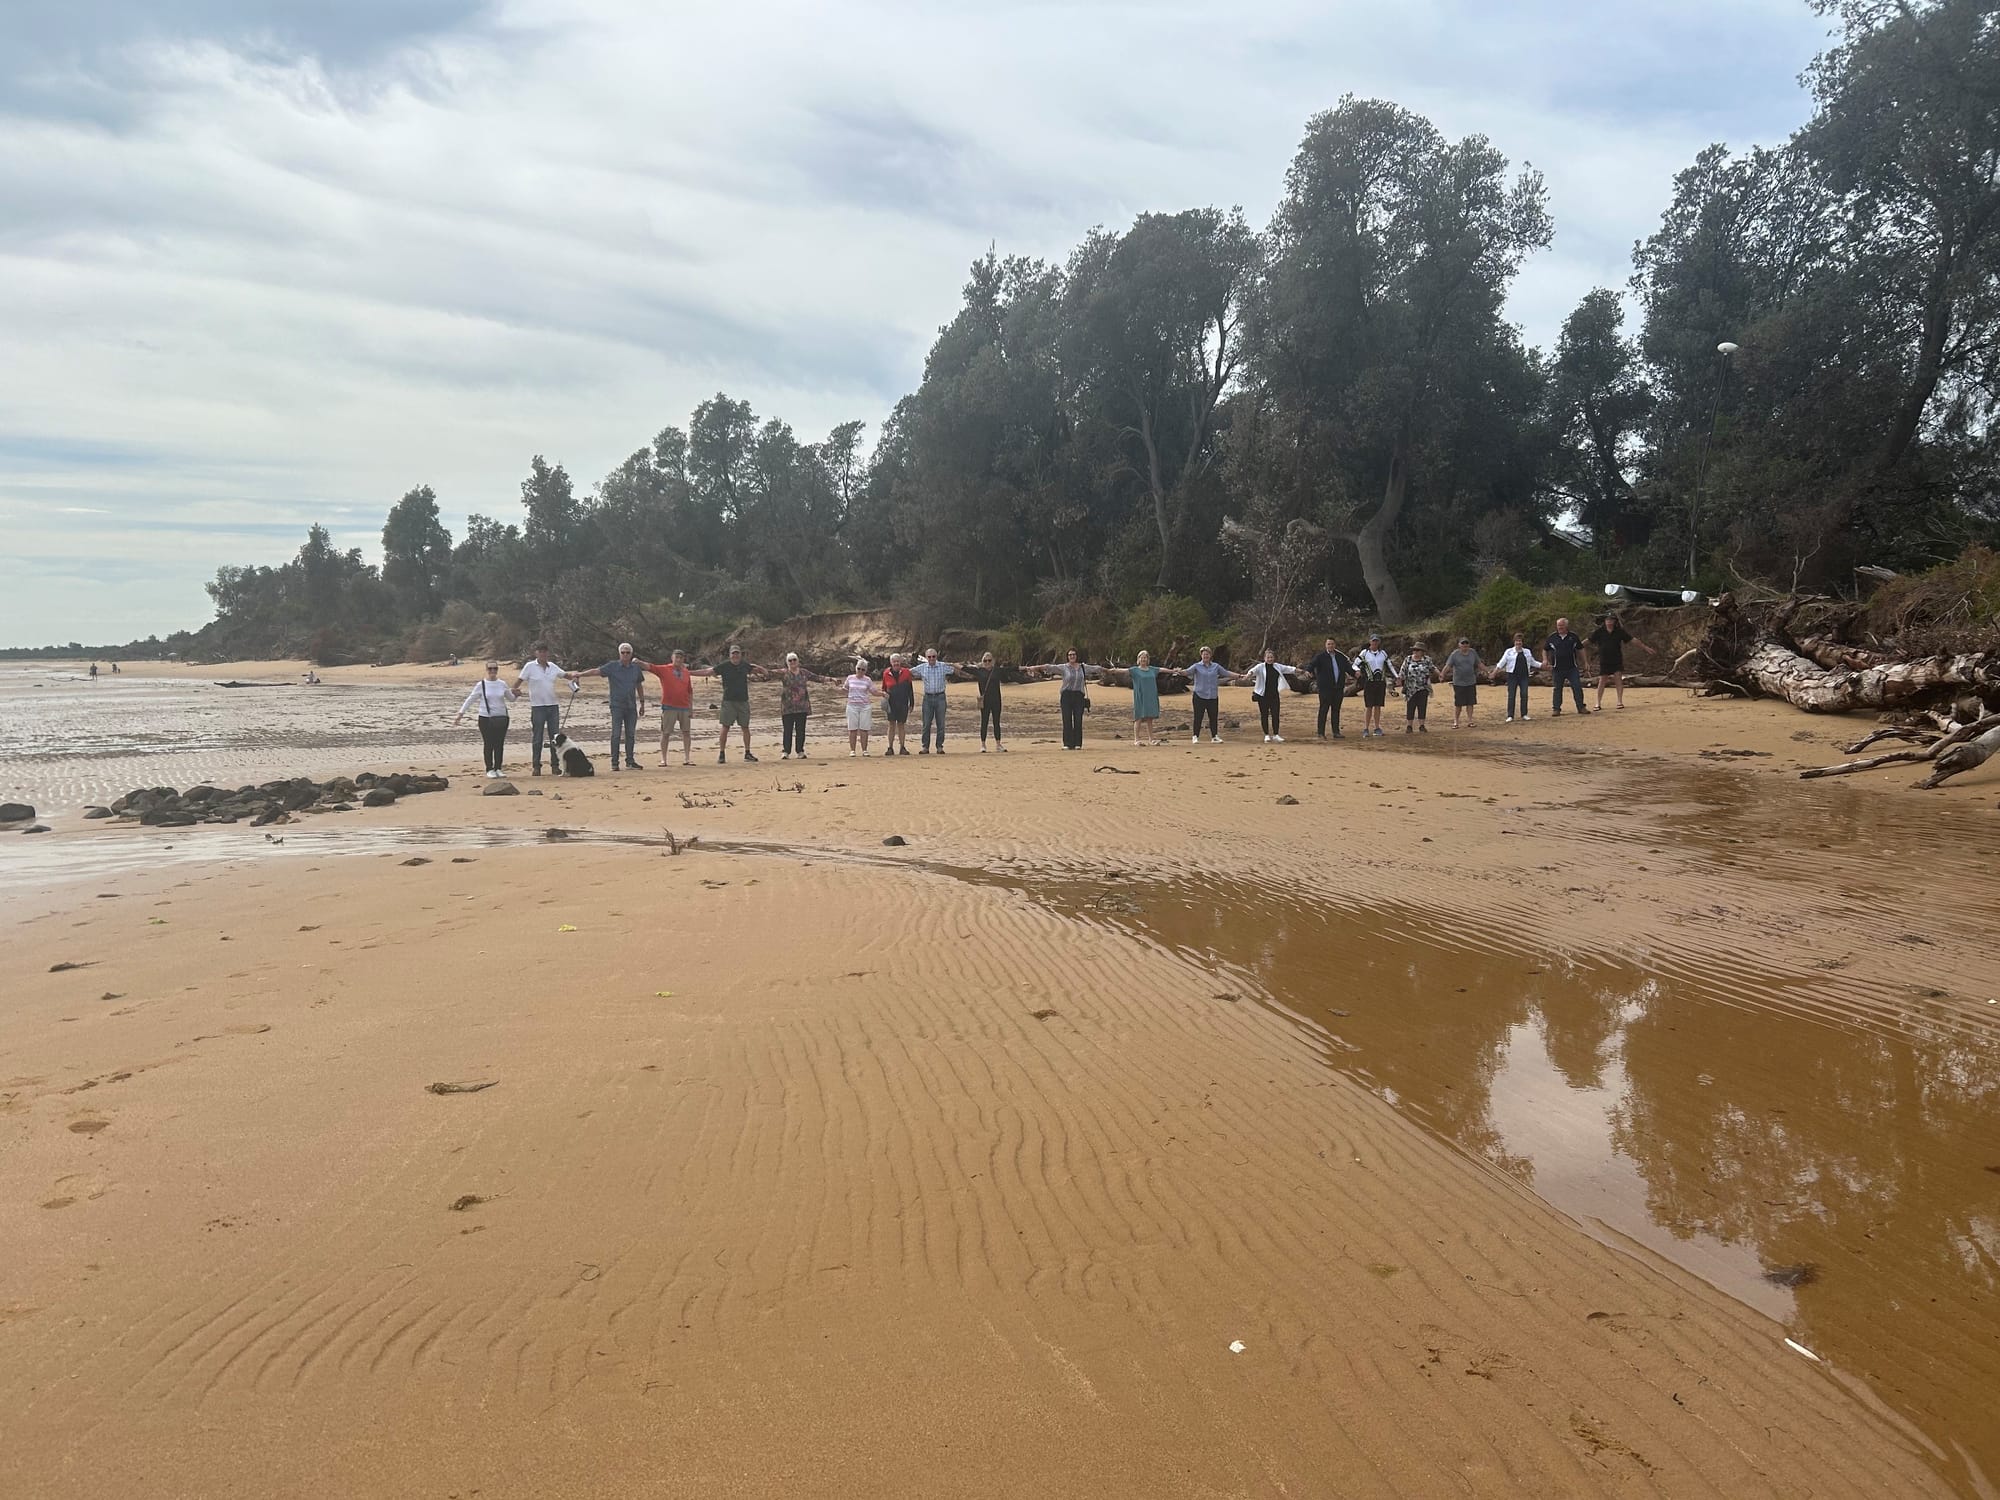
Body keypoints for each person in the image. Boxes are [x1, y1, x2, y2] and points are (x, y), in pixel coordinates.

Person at [570, 643, 649, 770]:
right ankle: (614, 762)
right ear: (619, 653)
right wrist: (580, 674)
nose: (625, 655)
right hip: (617, 705)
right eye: (623, 652)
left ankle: (630, 761)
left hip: (631, 706)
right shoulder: (612, 666)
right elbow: (596, 671)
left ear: (631, 654)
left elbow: (639, 685)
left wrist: (642, 703)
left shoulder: (635, 668)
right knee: (616, 734)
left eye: (627, 652)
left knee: (630, 734)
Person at [690, 643, 766, 763]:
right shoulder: (724, 666)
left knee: (745, 727)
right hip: (728, 701)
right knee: (725, 727)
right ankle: (721, 753)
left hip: (743, 701)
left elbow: (761, 672)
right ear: (730, 655)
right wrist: (689, 673)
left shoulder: (745, 665)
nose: (735, 655)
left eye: (737, 653)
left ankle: (747, 753)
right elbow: (708, 672)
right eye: (733, 653)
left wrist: (761, 668)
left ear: (740, 655)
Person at [512, 642, 569, 775]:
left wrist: (576, 677)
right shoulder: (530, 666)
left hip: (552, 705)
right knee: (537, 737)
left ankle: (555, 766)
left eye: (544, 651)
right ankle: (536, 766)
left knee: (554, 737)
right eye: (540, 651)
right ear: (536, 653)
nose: (543, 653)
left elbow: (566, 675)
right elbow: (519, 681)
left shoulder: (553, 667)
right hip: (537, 707)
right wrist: (513, 692)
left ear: (547, 653)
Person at [454, 659, 518, 778]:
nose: (493, 671)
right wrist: (460, 713)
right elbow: (471, 699)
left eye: (495, 668)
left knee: (499, 744)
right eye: (490, 669)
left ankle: (498, 768)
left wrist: (517, 695)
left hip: (502, 718)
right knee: (489, 744)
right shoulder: (481, 685)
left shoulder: (502, 684)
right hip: (486, 718)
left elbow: (511, 699)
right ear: (486, 670)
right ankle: (489, 768)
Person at [1030, 650, 1103, 750]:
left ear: (1077, 656)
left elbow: (1096, 668)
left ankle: (1078, 743)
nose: (1072, 656)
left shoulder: (1083, 667)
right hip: (1066, 695)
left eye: (1073, 654)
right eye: (1070, 655)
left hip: (1079, 695)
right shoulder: (1064, 667)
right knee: (1066, 719)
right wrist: (1035, 667)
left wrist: (1110, 671)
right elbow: (1050, 667)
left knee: (1078, 719)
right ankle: (1067, 743)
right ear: (1067, 657)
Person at [1590, 612, 1654, 711]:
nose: (1609, 622)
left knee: (1618, 679)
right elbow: (1588, 640)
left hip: (1616, 659)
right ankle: (1598, 703)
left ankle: (1619, 701)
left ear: (1615, 621)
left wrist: (1645, 648)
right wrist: (1576, 646)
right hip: (1604, 659)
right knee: (1602, 680)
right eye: (1607, 620)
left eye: (1611, 620)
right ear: (1605, 621)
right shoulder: (1599, 632)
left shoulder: (1619, 631)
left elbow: (1633, 640)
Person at [647, 648, 696, 765]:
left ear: (683, 659)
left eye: (681, 657)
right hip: (669, 706)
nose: (678, 659)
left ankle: (687, 758)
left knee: (686, 732)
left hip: (684, 706)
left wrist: (691, 708)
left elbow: (690, 691)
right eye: (676, 657)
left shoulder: (686, 672)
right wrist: (638, 662)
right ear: (672, 658)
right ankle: (663, 759)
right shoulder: (665, 669)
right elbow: (651, 667)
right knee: (666, 733)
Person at [1180, 646, 1234, 744]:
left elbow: (1226, 673)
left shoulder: (1216, 666)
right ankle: (1195, 736)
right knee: (1198, 717)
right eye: (1204, 654)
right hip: (1199, 695)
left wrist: (1239, 676)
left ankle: (1214, 736)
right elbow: (1187, 672)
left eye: (1207, 654)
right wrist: (1179, 671)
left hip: (1212, 696)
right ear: (1201, 655)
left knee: (1213, 717)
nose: (1206, 656)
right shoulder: (1196, 666)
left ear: (1210, 655)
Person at [778, 652, 827, 759]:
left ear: (798, 661)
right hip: (787, 706)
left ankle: (800, 751)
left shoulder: (804, 673)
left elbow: (817, 677)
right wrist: (755, 670)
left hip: (802, 706)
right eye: (790, 660)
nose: (792, 662)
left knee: (801, 730)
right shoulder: (784, 673)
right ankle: (786, 751)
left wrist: (830, 679)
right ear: (787, 662)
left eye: (794, 660)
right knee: (787, 730)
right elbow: (768, 673)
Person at [1244, 650, 1301, 742]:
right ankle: (1266, 734)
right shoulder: (1260, 667)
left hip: (1274, 695)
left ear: (1274, 658)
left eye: (1271, 657)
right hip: (1262, 695)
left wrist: (1300, 671)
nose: (1270, 659)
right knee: (1264, 715)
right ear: (1264, 658)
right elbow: (1252, 671)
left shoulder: (1277, 666)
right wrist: (1248, 675)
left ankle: (1276, 734)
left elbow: (1289, 669)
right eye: (1268, 657)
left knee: (1275, 715)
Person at [910, 648, 958, 753]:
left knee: (941, 724)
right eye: (929, 657)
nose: (932, 659)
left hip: (940, 697)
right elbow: (908, 673)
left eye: (934, 656)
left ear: (937, 657)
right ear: (926, 658)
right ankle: (925, 747)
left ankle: (939, 746)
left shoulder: (943, 666)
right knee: (926, 724)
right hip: (927, 698)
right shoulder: (922, 668)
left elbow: (955, 670)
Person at [1305, 638, 1352, 738]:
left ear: (1335, 645)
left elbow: (1348, 668)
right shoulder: (1320, 657)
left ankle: (1336, 732)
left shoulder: (1340, 657)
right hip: (1325, 688)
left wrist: (1356, 673)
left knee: (1336, 710)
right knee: (1324, 709)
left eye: (1332, 644)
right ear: (1326, 645)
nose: (1330, 646)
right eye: (1328, 644)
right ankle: (1321, 733)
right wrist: (1308, 671)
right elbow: (1311, 665)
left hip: (1338, 687)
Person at [1545, 617, 1588, 716]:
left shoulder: (1573, 636)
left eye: (1562, 625)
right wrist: (1545, 660)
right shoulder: (1552, 637)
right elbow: (1545, 649)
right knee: (1557, 689)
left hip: (1572, 667)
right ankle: (1556, 709)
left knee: (1577, 687)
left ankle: (1581, 707)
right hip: (1557, 668)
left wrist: (1585, 662)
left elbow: (1581, 649)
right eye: (1558, 625)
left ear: (1566, 626)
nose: (1560, 627)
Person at [1495, 632, 1541, 723]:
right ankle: (1510, 715)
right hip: (1512, 676)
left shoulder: (1527, 651)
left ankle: (1524, 714)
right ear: (1514, 642)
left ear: (1522, 642)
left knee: (1524, 695)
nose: (1518, 643)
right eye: (1517, 641)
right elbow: (1501, 662)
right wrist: (1494, 672)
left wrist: (1542, 665)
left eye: (1520, 641)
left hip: (1524, 676)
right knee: (1511, 696)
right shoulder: (1509, 652)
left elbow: (1533, 662)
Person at [1442, 636, 1485, 729]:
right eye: (1463, 644)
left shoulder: (1473, 652)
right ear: (1459, 645)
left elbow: (1479, 664)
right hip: (1458, 682)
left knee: (1470, 702)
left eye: (1466, 644)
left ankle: (1470, 721)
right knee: (1458, 703)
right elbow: (1448, 666)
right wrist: (1442, 674)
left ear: (1469, 645)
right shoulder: (1454, 654)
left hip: (1471, 681)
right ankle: (1456, 721)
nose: (1465, 646)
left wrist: (1487, 672)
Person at [842, 658, 883, 756]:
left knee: (864, 728)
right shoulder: (850, 678)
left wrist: (883, 694)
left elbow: (873, 692)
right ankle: (852, 750)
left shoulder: (867, 680)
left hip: (865, 706)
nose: (860, 671)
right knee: (852, 729)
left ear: (865, 671)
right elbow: (845, 689)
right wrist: (835, 688)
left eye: (863, 669)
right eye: (859, 668)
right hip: (852, 705)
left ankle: (864, 750)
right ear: (855, 668)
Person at [968, 652, 1008, 751]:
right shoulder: (979, 671)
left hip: (996, 700)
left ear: (993, 661)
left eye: (989, 660)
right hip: (985, 701)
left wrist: (1026, 668)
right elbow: (965, 668)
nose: (987, 662)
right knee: (984, 722)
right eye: (985, 661)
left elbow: (1010, 670)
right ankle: (983, 745)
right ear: (982, 662)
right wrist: (951, 664)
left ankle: (998, 744)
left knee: (996, 722)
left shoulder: (997, 671)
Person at [1356, 634, 1392, 737]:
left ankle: (1377, 727)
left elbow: (1389, 665)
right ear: (1370, 642)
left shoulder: (1383, 653)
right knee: (1369, 706)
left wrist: (1397, 676)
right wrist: (1357, 671)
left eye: (1376, 641)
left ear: (1379, 642)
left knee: (1378, 705)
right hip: (1369, 682)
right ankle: (1366, 728)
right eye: (1373, 641)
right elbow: (1355, 664)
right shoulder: (1365, 653)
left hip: (1380, 682)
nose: (1375, 643)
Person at [880, 654, 915, 756]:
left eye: (897, 661)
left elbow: (910, 689)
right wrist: (884, 701)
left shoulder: (906, 672)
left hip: (903, 703)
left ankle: (902, 747)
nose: (896, 663)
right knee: (891, 724)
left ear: (900, 662)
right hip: (891, 703)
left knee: (901, 725)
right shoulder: (886, 673)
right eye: (894, 661)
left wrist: (911, 703)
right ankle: (890, 747)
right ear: (891, 663)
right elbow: (883, 688)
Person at [1127, 651, 1164, 745]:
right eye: (1142, 658)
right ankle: (1136, 739)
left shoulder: (1152, 669)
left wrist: (1175, 671)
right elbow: (1122, 671)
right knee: (1138, 717)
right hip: (1140, 696)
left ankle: (1151, 739)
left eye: (1145, 658)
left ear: (1148, 659)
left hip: (1150, 696)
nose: (1143, 659)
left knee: (1149, 718)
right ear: (1138, 659)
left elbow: (1162, 670)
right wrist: (1111, 671)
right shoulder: (1135, 670)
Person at [1400, 643, 1436, 732]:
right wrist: (1398, 680)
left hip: (1423, 687)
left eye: (1417, 650)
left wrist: (1441, 675)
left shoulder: (1427, 660)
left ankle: (1422, 725)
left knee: (1422, 706)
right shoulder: (1408, 659)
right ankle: (1409, 726)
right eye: (1414, 650)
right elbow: (1402, 671)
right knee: (1410, 707)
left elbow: (1433, 668)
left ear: (1422, 652)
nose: (1415, 652)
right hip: (1410, 687)